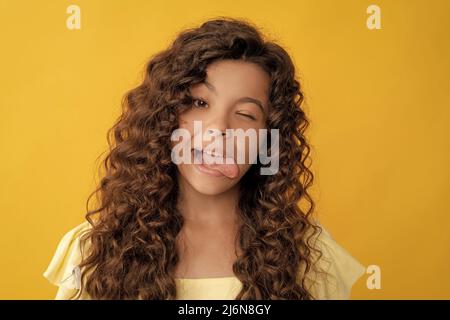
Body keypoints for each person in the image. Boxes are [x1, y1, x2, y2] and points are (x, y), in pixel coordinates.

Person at [43, 17, 366, 300]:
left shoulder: (310, 252)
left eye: (245, 114)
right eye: (199, 104)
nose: (219, 130)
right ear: (165, 116)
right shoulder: (95, 248)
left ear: (268, 140)